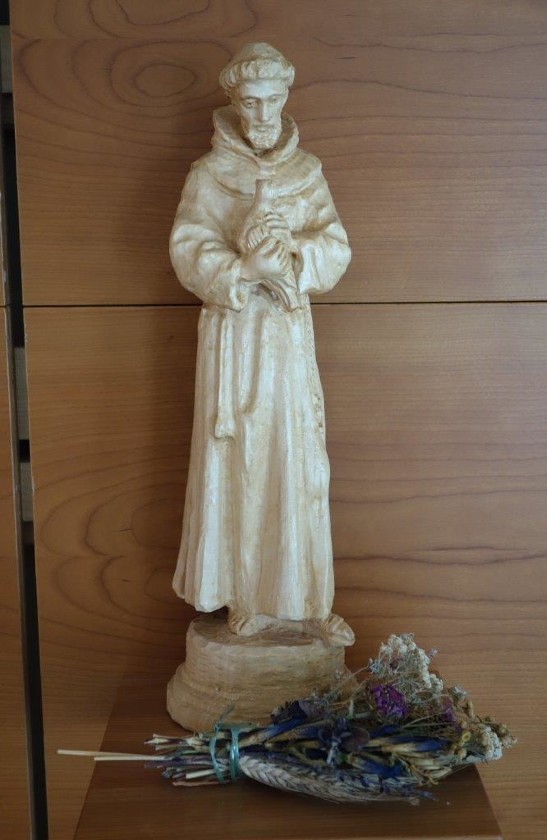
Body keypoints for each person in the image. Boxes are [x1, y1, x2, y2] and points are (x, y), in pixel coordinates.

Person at [170, 43, 353, 645]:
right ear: (234, 102)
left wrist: (294, 247)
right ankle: (247, 594)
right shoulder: (208, 173)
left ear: (286, 98)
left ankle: (306, 599)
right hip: (235, 334)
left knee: (298, 459)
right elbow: (187, 247)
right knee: (241, 458)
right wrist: (243, 270)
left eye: (273, 99)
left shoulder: (308, 172)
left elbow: (336, 248)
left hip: (287, 336)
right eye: (251, 101)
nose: (263, 112)